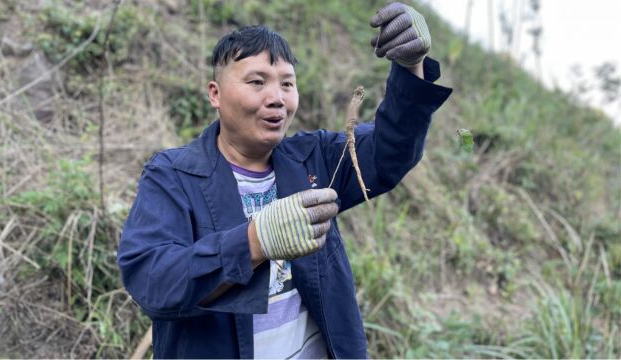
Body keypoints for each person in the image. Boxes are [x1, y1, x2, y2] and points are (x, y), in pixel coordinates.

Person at [118, 2, 452, 358]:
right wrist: (253, 242)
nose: (276, 98)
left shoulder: (314, 158)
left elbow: (389, 153)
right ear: (215, 93)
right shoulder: (173, 177)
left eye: (287, 84)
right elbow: (151, 281)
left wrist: (409, 66)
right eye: (257, 82)